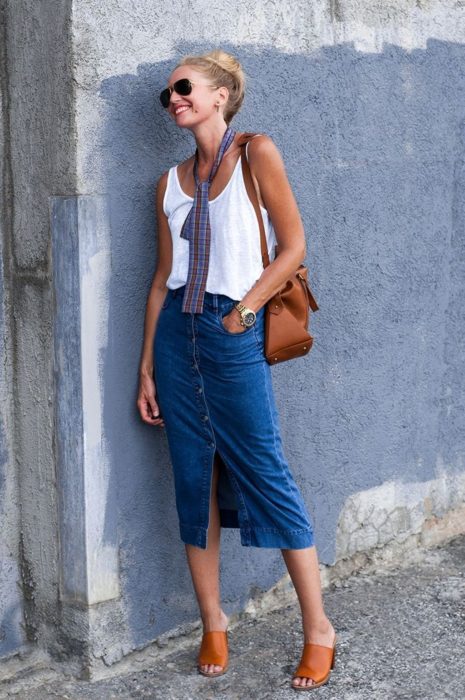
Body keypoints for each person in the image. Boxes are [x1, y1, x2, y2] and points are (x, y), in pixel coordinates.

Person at [137, 48, 337, 691]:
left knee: (265, 470)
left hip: (231, 332)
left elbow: (294, 245)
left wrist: (244, 312)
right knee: (193, 479)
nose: (174, 100)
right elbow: (162, 282)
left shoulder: (257, 153)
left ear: (222, 93)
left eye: (185, 88)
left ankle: (319, 630)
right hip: (176, 340)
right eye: (167, 95)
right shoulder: (167, 184)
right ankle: (213, 623)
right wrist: (146, 368)